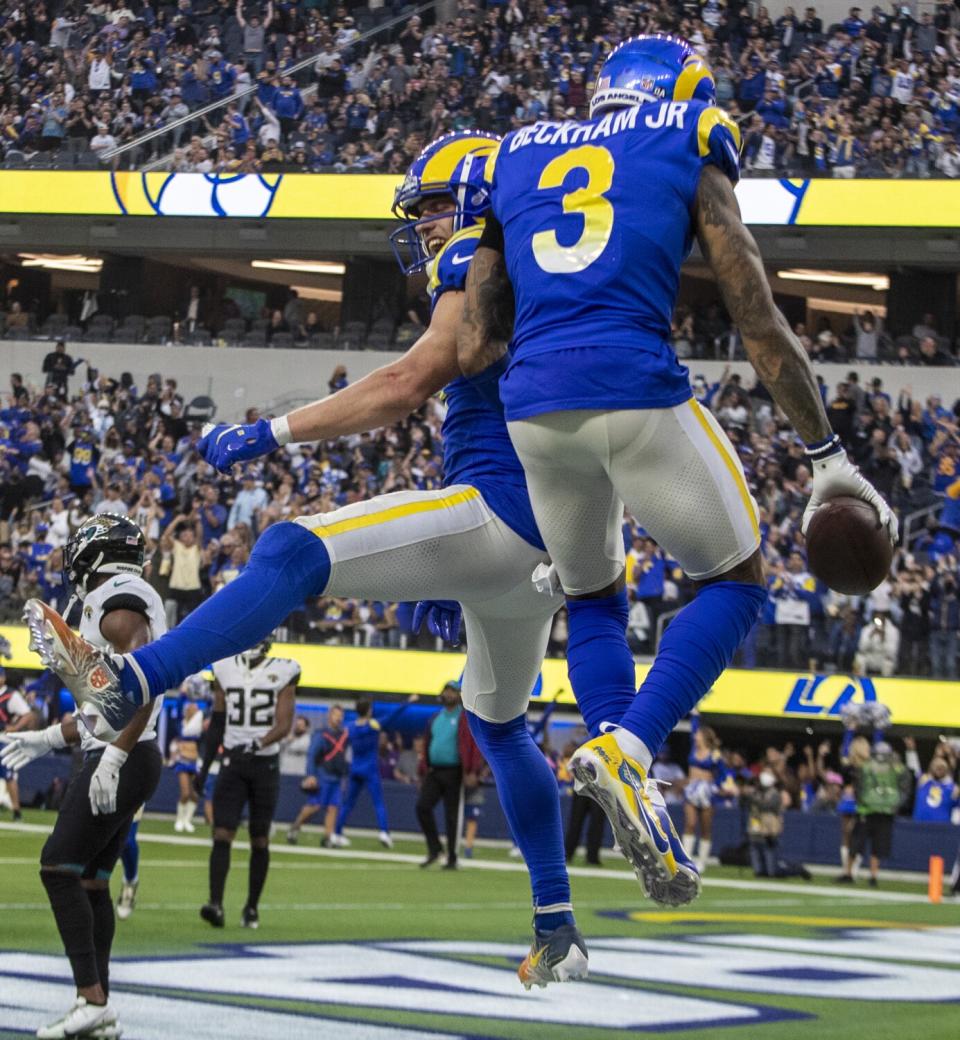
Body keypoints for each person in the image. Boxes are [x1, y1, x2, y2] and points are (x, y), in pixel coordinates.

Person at [27, 132, 588, 987]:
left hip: (497, 514)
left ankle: (137, 679)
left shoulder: (483, 252)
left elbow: (408, 382)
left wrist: (270, 430)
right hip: (537, 544)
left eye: (434, 206)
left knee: (290, 546)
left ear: (477, 197)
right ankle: (557, 921)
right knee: (501, 728)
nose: (427, 227)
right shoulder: (550, 270)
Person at [456, 33, 896, 905]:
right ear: (681, 89)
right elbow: (754, 311)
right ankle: (633, 746)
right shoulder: (690, 132)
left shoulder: (514, 150)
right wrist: (825, 453)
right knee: (736, 583)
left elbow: (474, 341)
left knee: (592, 600)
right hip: (635, 384)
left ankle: (627, 771)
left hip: (534, 406)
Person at [2, 514, 164, 1040]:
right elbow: (108, 703)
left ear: (94, 556)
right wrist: (47, 738)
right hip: (132, 752)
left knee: (56, 868)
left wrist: (114, 756)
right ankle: (101, 1006)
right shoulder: (119, 597)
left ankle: (90, 1000)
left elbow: (144, 682)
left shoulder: (117, 601)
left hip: (127, 755)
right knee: (92, 881)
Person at [195, 636, 297, 929]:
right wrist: (204, 769)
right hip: (233, 763)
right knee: (222, 833)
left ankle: (251, 907)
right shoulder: (224, 668)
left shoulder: (286, 669)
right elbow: (217, 721)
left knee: (259, 837)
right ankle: (215, 904)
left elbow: (284, 724)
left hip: (264, 763)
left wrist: (258, 743)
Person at [415, 681, 483, 870]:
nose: (448, 694)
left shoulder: (464, 717)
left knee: (452, 816)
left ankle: (452, 856)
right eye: (446, 690)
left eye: (452, 691)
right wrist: (423, 771)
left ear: (459, 694)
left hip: (454, 771)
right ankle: (435, 848)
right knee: (422, 807)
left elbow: (473, 745)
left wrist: (472, 771)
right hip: (435, 770)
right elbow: (428, 743)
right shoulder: (436, 717)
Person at [334, 696, 412, 849]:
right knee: (378, 803)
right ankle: (384, 832)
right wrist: (408, 702)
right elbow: (393, 714)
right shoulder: (374, 725)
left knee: (348, 803)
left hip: (355, 767)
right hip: (370, 769)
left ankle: (337, 833)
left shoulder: (349, 727)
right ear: (369, 711)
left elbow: (340, 743)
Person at [286, 704, 348, 846]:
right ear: (329, 716)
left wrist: (344, 776)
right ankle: (295, 827)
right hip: (322, 775)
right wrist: (311, 775)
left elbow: (342, 757)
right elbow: (312, 755)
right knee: (315, 806)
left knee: (333, 807)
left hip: (336, 776)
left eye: (341, 716)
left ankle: (328, 837)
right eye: (336, 715)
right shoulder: (321, 734)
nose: (338, 718)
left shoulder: (343, 735)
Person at [850, 741, 909, 887]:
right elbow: (858, 787)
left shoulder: (898, 770)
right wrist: (862, 802)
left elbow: (905, 789)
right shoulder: (866, 768)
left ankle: (873, 876)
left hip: (884, 812)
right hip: (867, 810)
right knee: (857, 844)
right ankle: (849, 873)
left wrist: (895, 804)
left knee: (878, 846)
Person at [683, 712, 726, 875]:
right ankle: (686, 858)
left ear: (705, 737)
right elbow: (694, 727)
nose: (696, 737)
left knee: (706, 827)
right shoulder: (694, 749)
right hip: (692, 790)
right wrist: (695, 715)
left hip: (707, 792)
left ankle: (701, 861)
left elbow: (722, 774)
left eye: (699, 735)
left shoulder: (715, 755)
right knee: (690, 823)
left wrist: (715, 786)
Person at [0, 664, 35, 821]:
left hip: (5, 739)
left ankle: (16, 810)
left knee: (9, 775)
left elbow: (27, 715)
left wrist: (14, 728)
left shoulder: (11, 695)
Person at [173, 700, 203, 832]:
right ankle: (179, 819)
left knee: (194, 794)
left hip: (194, 760)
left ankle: (187, 820)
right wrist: (183, 694)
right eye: (191, 708)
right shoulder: (181, 723)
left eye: (195, 708)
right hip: (182, 760)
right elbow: (178, 705)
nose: (194, 710)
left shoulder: (198, 726)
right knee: (185, 793)